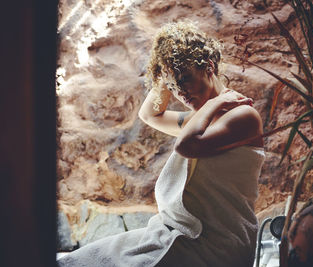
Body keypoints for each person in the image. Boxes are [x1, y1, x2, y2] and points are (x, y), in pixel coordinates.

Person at [57, 21, 265, 267]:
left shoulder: (243, 116)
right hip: (183, 233)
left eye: (185, 78)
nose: (181, 92)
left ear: (209, 66)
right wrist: (164, 71)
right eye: (173, 86)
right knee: (78, 261)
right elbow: (150, 115)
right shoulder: (198, 119)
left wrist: (212, 103)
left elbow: (187, 146)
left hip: (218, 242)